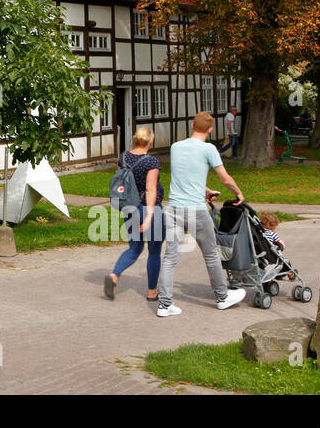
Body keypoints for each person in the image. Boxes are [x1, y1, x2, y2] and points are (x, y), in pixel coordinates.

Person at [156, 112, 247, 317]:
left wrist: (205, 190)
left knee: (170, 257)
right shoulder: (209, 149)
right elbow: (225, 178)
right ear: (210, 129)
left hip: (173, 208)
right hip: (195, 210)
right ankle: (222, 297)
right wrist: (238, 192)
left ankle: (164, 304)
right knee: (211, 254)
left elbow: (185, 175)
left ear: (191, 126)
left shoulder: (175, 147)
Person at [104, 126, 163, 302]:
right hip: (148, 208)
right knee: (154, 251)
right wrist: (150, 216)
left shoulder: (124, 157)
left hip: (129, 207)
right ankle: (152, 291)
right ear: (150, 141)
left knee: (135, 247)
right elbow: (150, 190)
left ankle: (114, 275)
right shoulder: (151, 162)